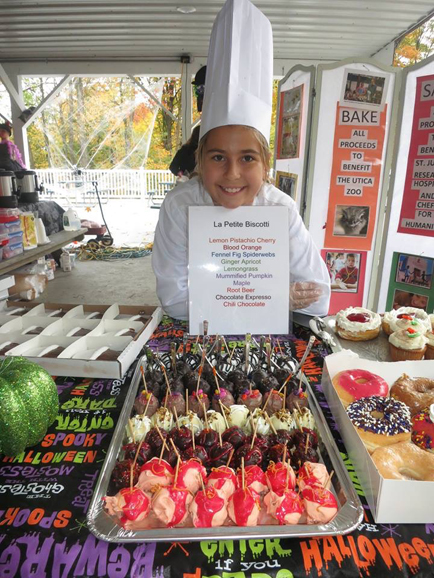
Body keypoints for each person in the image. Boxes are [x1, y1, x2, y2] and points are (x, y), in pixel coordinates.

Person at [152, 0, 330, 321]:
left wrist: (219, 296)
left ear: (265, 164)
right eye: (218, 156)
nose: (232, 174)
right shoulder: (179, 207)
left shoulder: (280, 209)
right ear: (200, 159)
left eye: (247, 157)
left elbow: (318, 296)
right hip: (199, 340)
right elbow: (175, 303)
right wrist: (273, 296)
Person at [169, 66, 206, 178]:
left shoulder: (186, 150)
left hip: (189, 180)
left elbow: (173, 166)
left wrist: (182, 175)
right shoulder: (203, 150)